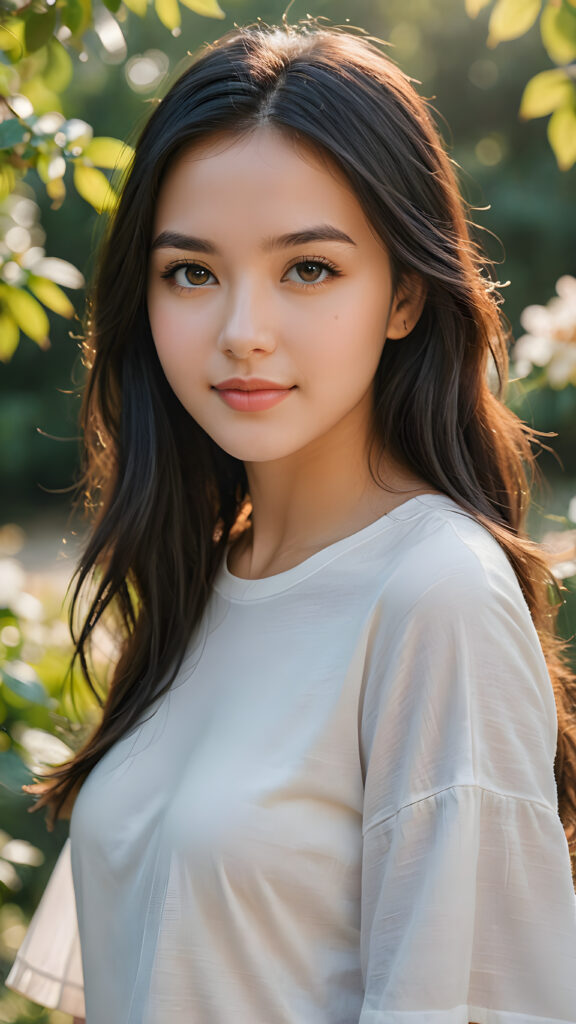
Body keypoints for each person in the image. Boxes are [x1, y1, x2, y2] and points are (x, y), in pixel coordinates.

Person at [5, 16, 576, 1024]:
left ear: (404, 292)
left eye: (308, 268)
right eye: (193, 272)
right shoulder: (202, 579)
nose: (241, 334)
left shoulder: (434, 592)